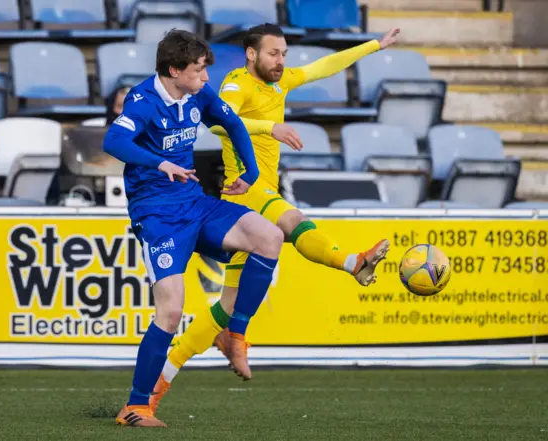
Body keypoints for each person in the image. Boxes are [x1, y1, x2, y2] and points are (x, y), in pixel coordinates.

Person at [150, 24, 400, 412]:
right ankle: (353, 262)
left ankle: (160, 383)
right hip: (244, 192)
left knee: (225, 307)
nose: (281, 60)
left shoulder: (279, 82)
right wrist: (271, 127)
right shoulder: (236, 85)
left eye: (284, 53)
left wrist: (373, 45)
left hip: (257, 197)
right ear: (251, 55)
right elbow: (216, 121)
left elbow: (324, 67)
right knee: (292, 219)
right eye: (273, 53)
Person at [102, 29, 285, 428]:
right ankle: (136, 407)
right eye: (199, 70)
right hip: (157, 214)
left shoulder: (197, 95)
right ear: (174, 70)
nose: (206, 79)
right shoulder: (144, 100)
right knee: (170, 311)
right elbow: (113, 141)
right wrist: (158, 163)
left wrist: (251, 173)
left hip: (195, 203)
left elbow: (234, 124)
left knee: (269, 237)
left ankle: (233, 334)